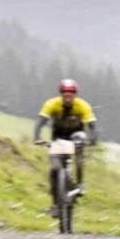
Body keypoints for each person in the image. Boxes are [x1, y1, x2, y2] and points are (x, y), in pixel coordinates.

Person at [34, 79, 98, 215]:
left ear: (75, 95)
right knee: (54, 169)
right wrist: (37, 137)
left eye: (71, 94)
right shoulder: (52, 104)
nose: (68, 97)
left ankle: (80, 184)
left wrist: (92, 139)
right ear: (60, 94)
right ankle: (56, 204)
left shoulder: (83, 106)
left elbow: (92, 125)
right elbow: (41, 121)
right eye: (65, 94)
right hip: (58, 137)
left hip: (76, 135)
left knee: (79, 153)